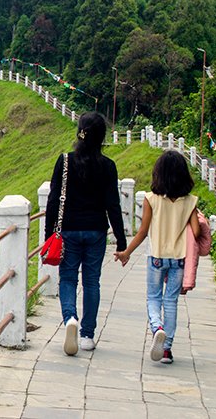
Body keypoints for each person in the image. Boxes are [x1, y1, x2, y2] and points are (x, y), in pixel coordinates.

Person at [45, 112, 127, 356]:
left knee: (68, 278)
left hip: (68, 230)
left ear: (79, 132)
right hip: (96, 231)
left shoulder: (65, 161)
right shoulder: (108, 166)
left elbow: (52, 199)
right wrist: (121, 242)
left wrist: (49, 235)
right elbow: (113, 205)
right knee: (92, 281)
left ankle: (70, 318)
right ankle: (88, 335)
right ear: (102, 137)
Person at [114, 150, 200, 364]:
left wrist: (126, 253)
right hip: (179, 259)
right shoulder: (190, 201)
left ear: (158, 174)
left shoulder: (151, 200)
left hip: (156, 257)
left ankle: (157, 328)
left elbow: (142, 231)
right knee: (171, 301)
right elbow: (196, 233)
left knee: (154, 297)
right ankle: (167, 350)